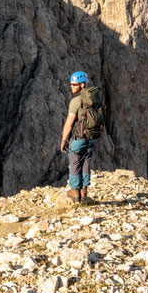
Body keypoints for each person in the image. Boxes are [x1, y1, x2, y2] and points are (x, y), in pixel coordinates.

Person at [60, 70, 95, 204]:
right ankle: (84, 190)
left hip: (78, 138)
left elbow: (69, 124)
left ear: (81, 85)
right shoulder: (93, 98)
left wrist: (63, 140)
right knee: (86, 162)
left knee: (74, 163)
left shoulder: (76, 101)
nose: (71, 87)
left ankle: (75, 191)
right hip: (90, 138)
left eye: (74, 84)